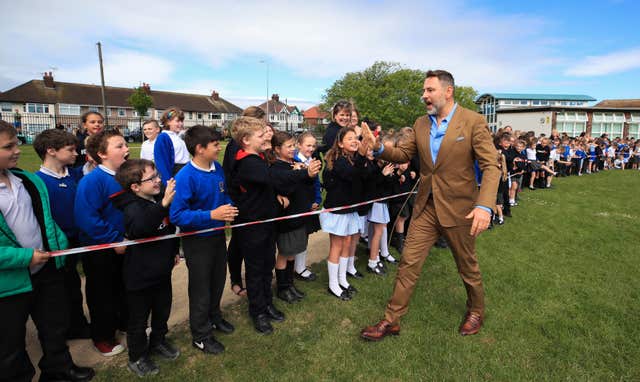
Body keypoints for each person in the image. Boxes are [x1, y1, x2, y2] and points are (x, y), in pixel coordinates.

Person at [360, 70, 500, 340]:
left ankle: (476, 310)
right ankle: (392, 320)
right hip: (426, 207)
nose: (424, 95)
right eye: (424, 91)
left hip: (461, 209)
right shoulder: (420, 124)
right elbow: (402, 154)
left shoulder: (473, 121)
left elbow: (490, 166)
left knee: (467, 266)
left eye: (429, 90)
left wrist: (484, 206)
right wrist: (377, 148)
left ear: (448, 91)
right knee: (408, 263)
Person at [0, 121, 95, 382]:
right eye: (8, 146)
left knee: (54, 326)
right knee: (10, 342)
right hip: (9, 282)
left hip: (45, 269)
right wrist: (25, 257)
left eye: (16, 143)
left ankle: (59, 369)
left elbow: (45, 219)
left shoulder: (26, 180)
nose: (17, 150)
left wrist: (59, 245)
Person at [229, 117, 319, 334]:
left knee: (266, 264)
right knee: (255, 269)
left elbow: (270, 184)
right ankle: (258, 311)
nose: (265, 138)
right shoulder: (246, 162)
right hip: (252, 226)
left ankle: (267, 303)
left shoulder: (258, 157)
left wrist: (276, 195)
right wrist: (303, 173)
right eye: (260, 136)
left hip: (267, 224)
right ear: (246, 140)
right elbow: (272, 178)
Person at [169, 125, 238, 354]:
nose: (220, 148)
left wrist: (227, 208)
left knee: (218, 280)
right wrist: (212, 215)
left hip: (217, 237)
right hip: (197, 241)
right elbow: (177, 215)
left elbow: (223, 193)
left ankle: (214, 317)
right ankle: (200, 335)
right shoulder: (185, 177)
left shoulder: (216, 167)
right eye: (216, 145)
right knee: (201, 288)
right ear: (200, 149)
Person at [113, 159, 180, 377]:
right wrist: (163, 206)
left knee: (162, 311)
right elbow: (140, 229)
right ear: (135, 187)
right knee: (139, 320)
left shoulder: (158, 199)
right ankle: (137, 356)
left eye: (157, 175)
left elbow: (169, 229)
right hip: (140, 276)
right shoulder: (132, 207)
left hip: (162, 271)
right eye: (151, 178)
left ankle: (158, 342)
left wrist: (173, 252)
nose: (158, 180)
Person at [74, 129, 129, 356]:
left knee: (124, 288)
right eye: (120, 146)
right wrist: (114, 239)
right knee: (102, 294)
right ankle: (103, 337)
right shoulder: (93, 181)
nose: (127, 149)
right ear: (102, 154)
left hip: (126, 246)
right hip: (102, 250)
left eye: (125, 144)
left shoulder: (125, 177)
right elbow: (86, 218)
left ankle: (124, 323)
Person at [33, 129, 91, 340]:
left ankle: (78, 325)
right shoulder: (37, 182)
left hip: (79, 240)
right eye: (71, 150)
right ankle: (60, 329)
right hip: (56, 245)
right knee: (59, 289)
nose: (76, 154)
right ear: (51, 151)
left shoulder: (75, 175)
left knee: (74, 285)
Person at [270, 131, 321, 303]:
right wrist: (304, 173)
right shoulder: (277, 167)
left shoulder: (293, 164)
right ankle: (282, 288)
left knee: (293, 252)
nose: (293, 149)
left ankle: (290, 284)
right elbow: (286, 181)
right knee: (284, 253)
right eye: (289, 146)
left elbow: (303, 183)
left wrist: (307, 174)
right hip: (287, 219)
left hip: (298, 216)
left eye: (293, 145)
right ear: (277, 149)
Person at [320, 126, 370, 300]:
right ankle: (333, 284)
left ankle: (342, 279)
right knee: (337, 245)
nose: (355, 140)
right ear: (340, 143)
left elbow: (363, 175)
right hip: (338, 211)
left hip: (350, 209)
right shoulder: (340, 160)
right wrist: (362, 157)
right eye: (350, 138)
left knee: (348, 243)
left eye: (356, 138)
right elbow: (351, 175)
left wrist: (363, 157)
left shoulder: (352, 158)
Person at [224, 106, 266, 297]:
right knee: (238, 242)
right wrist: (238, 198)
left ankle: (254, 283)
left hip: (251, 200)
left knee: (246, 245)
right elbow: (231, 174)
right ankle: (235, 279)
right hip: (240, 201)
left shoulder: (257, 146)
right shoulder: (236, 147)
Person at [293, 132, 322, 281]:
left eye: (313, 145)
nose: (311, 148)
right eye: (308, 145)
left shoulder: (313, 160)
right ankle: (297, 268)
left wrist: (317, 199)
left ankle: (300, 266)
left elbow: (316, 184)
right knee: (297, 237)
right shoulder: (294, 161)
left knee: (305, 235)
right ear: (299, 145)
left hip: (310, 204)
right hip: (298, 205)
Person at [154, 107, 189, 185]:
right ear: (168, 122)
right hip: (175, 173)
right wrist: (168, 183)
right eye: (177, 121)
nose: (181, 124)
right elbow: (161, 163)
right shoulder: (163, 137)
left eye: (182, 121)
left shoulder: (178, 137)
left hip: (185, 171)